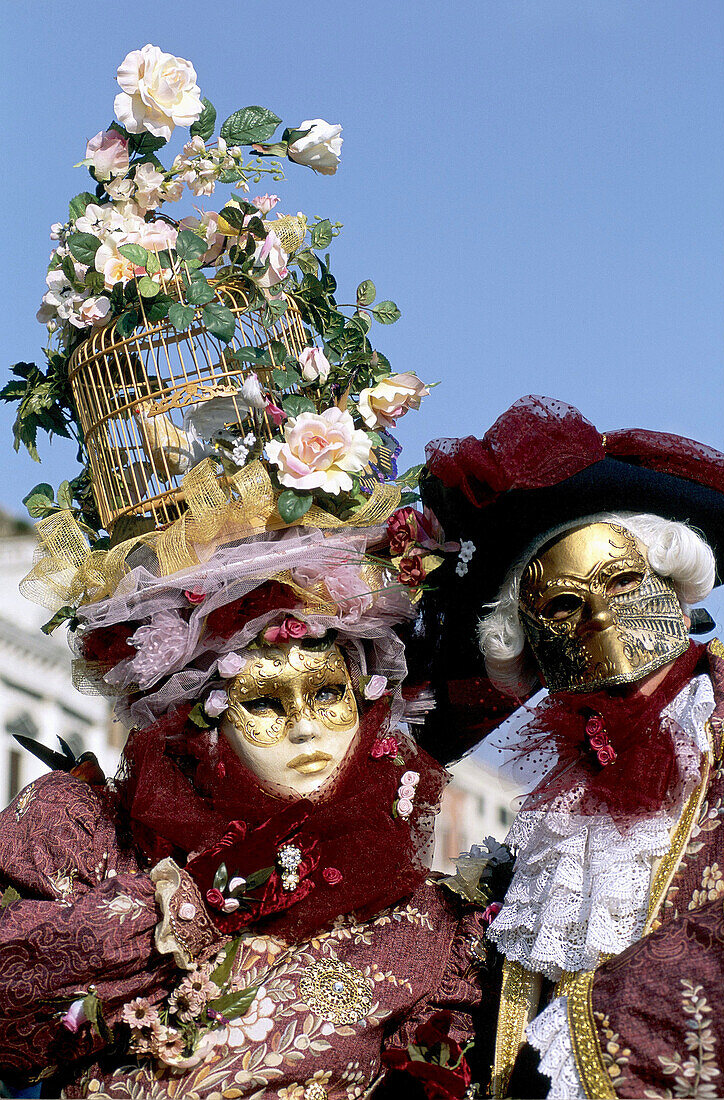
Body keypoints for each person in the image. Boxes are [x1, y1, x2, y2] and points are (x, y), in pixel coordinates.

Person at [0, 44, 495, 1099]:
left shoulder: (432, 930)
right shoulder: (87, 835)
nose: (311, 723)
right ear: (201, 716)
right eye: (263, 702)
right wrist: (174, 905)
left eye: (326, 690)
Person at [420, 394, 724, 1099]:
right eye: (561, 604)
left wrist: (603, 1028)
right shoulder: (504, 765)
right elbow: (429, 903)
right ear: (524, 634)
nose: (598, 618)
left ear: (675, 588)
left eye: (621, 583)